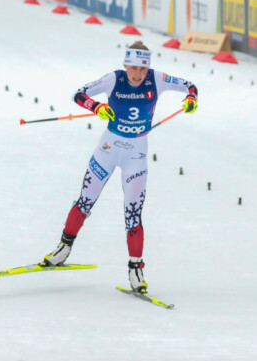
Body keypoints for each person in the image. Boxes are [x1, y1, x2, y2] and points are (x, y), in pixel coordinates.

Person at [41, 41, 198, 293]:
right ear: (125, 65)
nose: (137, 74)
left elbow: (191, 86)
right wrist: (97, 106)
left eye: (142, 69)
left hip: (136, 156)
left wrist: (191, 98)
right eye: (133, 68)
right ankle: (64, 247)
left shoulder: (157, 79)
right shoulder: (113, 79)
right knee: (85, 201)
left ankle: (136, 269)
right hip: (107, 151)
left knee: (133, 214)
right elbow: (78, 94)